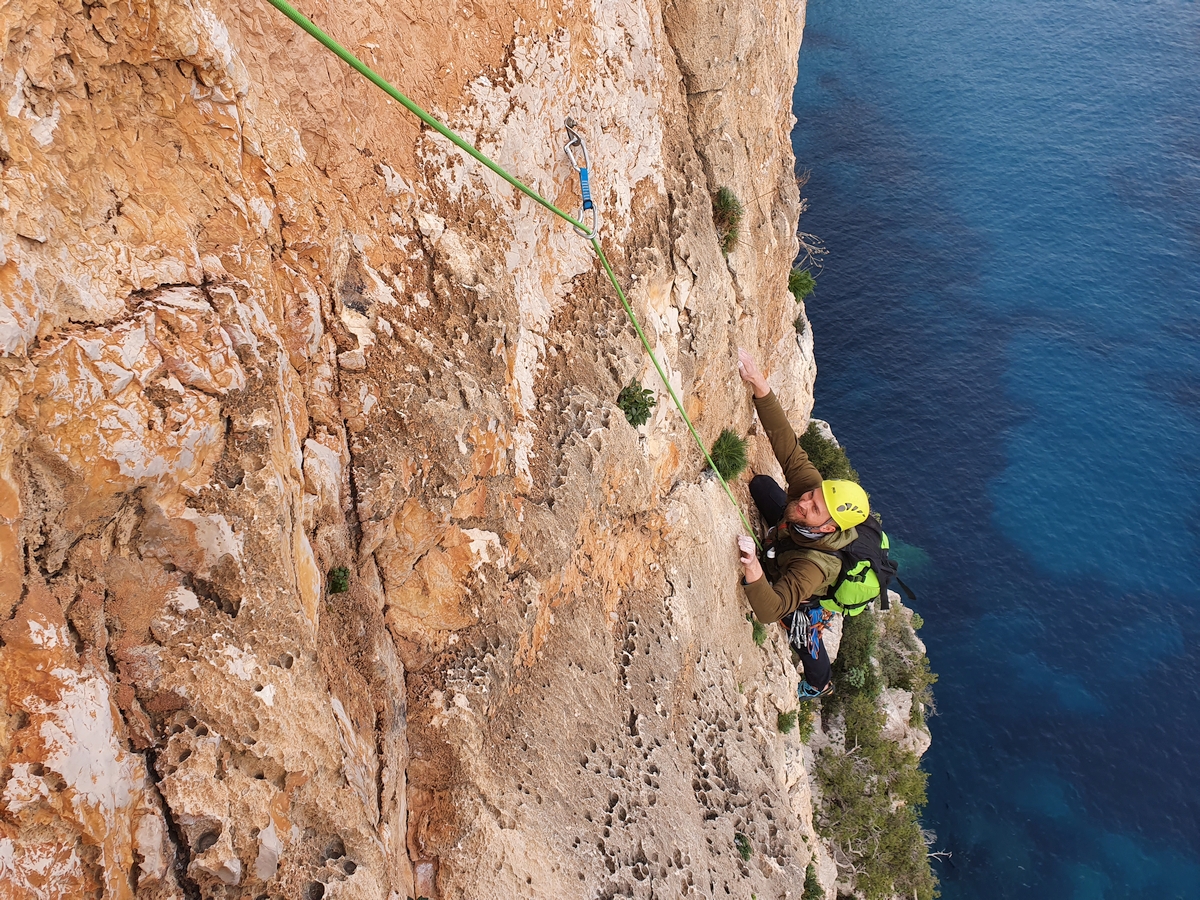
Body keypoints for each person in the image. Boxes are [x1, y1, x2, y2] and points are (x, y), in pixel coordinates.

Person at [734, 348, 872, 700]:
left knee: (802, 638)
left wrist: (752, 567)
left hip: (804, 589)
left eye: (814, 507)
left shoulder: (811, 570)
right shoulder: (811, 495)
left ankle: (819, 683)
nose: (805, 500)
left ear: (828, 527)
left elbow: (770, 609)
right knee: (762, 485)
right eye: (813, 495)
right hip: (794, 538)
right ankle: (777, 544)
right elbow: (787, 445)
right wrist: (759, 384)